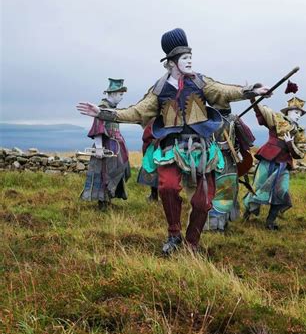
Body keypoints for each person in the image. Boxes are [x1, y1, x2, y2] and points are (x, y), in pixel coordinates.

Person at [77, 28, 270, 253]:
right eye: (184, 58)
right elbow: (137, 112)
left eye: (190, 57)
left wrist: (251, 91)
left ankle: (192, 242)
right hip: (171, 148)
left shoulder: (200, 82)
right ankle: (174, 234)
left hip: (202, 148)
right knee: (167, 187)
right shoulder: (159, 90)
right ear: (171, 63)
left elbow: (223, 91)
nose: (189, 61)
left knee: (203, 201)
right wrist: (102, 113)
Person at [243, 94, 306, 230]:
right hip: (268, 159)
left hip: (283, 164)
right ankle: (247, 214)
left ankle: (270, 221)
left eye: (300, 113)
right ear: (288, 112)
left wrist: (290, 144)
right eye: (296, 112)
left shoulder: (301, 132)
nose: (298, 115)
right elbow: (263, 111)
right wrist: (253, 100)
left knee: (282, 191)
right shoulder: (277, 119)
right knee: (257, 187)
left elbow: (300, 153)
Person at [80, 79, 131, 210]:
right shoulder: (101, 107)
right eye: (120, 94)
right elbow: (98, 127)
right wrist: (98, 147)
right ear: (113, 93)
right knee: (105, 173)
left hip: (115, 147)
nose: (122, 97)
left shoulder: (113, 109)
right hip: (105, 146)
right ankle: (102, 203)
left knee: (116, 171)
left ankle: (108, 200)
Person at [205, 109, 255, 231]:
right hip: (210, 160)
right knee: (211, 192)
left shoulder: (232, 119)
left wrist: (238, 123)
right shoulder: (206, 117)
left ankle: (221, 224)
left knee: (226, 192)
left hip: (229, 159)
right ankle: (212, 225)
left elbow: (248, 140)